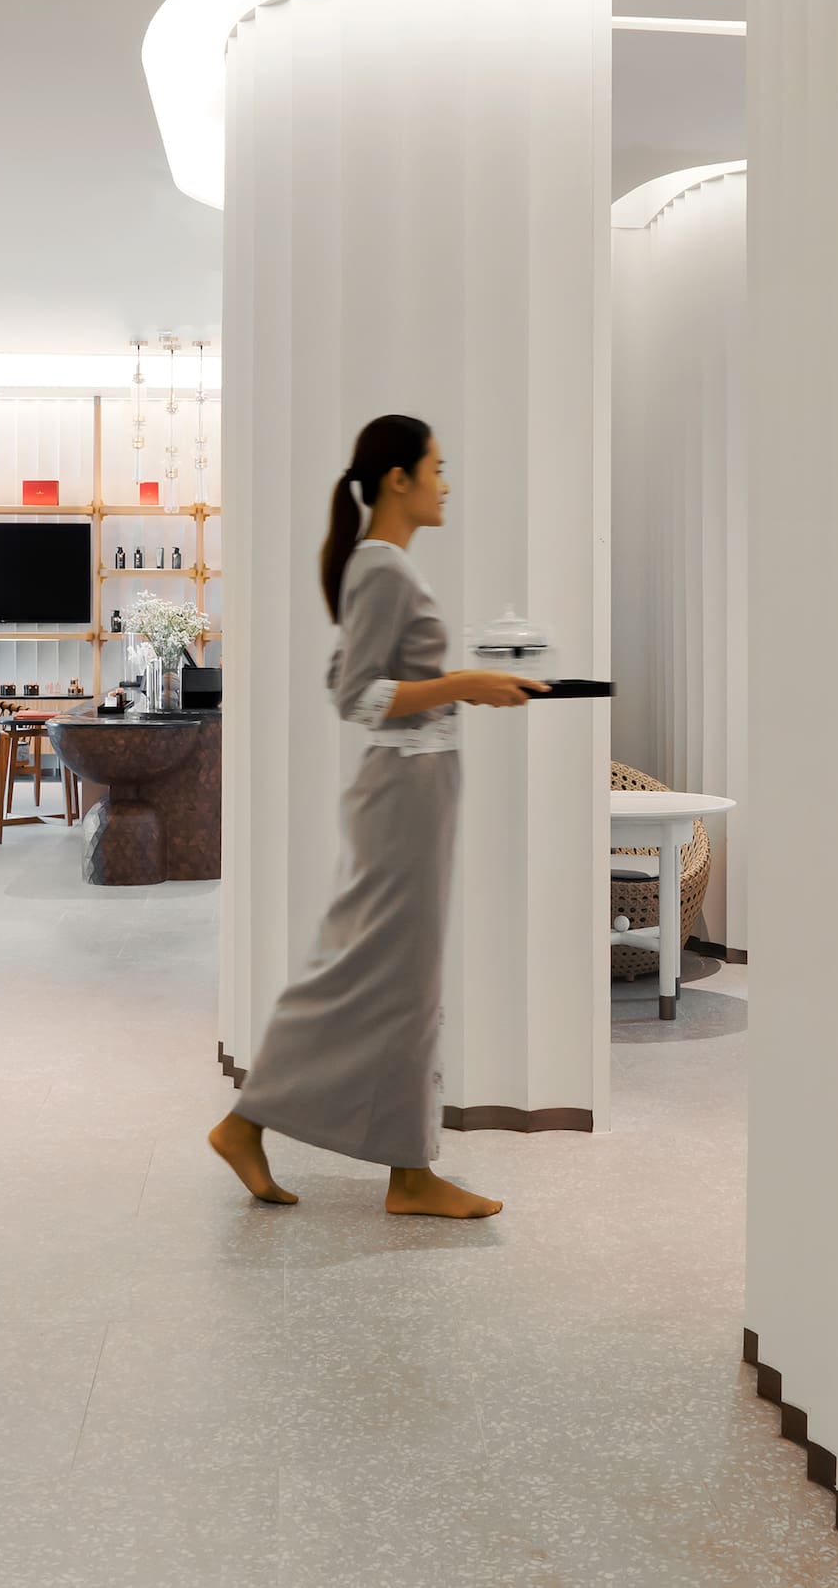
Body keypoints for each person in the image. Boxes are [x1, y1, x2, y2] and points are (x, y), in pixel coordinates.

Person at [208, 415, 544, 1218]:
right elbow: (355, 695)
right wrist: (464, 683)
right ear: (398, 477)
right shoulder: (383, 569)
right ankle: (360, 1157)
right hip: (403, 790)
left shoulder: (374, 567)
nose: (446, 483)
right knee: (380, 971)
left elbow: (344, 667)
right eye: (438, 466)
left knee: (390, 973)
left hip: (415, 786)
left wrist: (465, 683)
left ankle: (392, 1166)